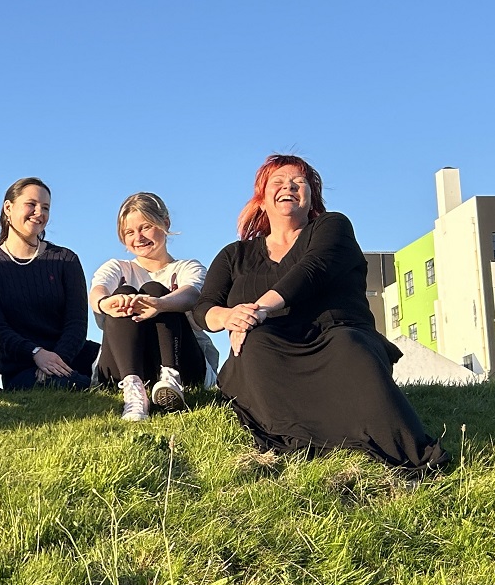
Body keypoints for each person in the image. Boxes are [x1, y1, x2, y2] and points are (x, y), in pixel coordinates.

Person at [192, 154, 447, 471]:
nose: (289, 186)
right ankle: (297, 444)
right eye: (278, 181)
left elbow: (311, 271)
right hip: (270, 344)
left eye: (299, 182)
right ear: (261, 197)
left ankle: (399, 450)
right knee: (256, 346)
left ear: (312, 196)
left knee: (349, 349)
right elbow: (204, 308)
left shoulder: (332, 227)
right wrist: (229, 317)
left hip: (336, 335)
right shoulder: (235, 254)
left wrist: (257, 310)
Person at [89, 192, 218, 421]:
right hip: (122, 362)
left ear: (165, 224)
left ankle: (171, 378)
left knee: (155, 290)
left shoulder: (189, 267)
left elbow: (192, 294)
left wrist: (160, 304)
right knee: (124, 293)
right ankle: (132, 388)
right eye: (130, 232)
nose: (138, 237)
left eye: (145, 227)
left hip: (183, 359)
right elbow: (98, 290)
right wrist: (106, 303)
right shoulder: (117, 267)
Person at [0, 177, 98, 390]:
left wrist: (56, 360)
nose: (39, 213)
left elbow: (76, 322)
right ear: (8, 208)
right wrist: (36, 353)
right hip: (21, 367)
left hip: (71, 356)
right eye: (31, 205)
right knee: (71, 386)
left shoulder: (66, 259)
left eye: (45, 207)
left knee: (125, 366)